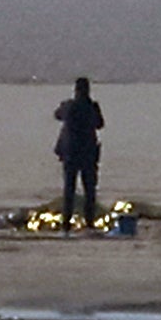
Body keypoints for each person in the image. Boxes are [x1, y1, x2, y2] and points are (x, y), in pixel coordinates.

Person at [52, 77, 104, 233]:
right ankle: (89, 223)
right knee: (89, 191)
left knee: (69, 190)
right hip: (87, 154)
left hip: (72, 154)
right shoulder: (91, 107)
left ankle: (66, 224)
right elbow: (100, 124)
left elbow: (58, 114)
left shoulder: (70, 106)